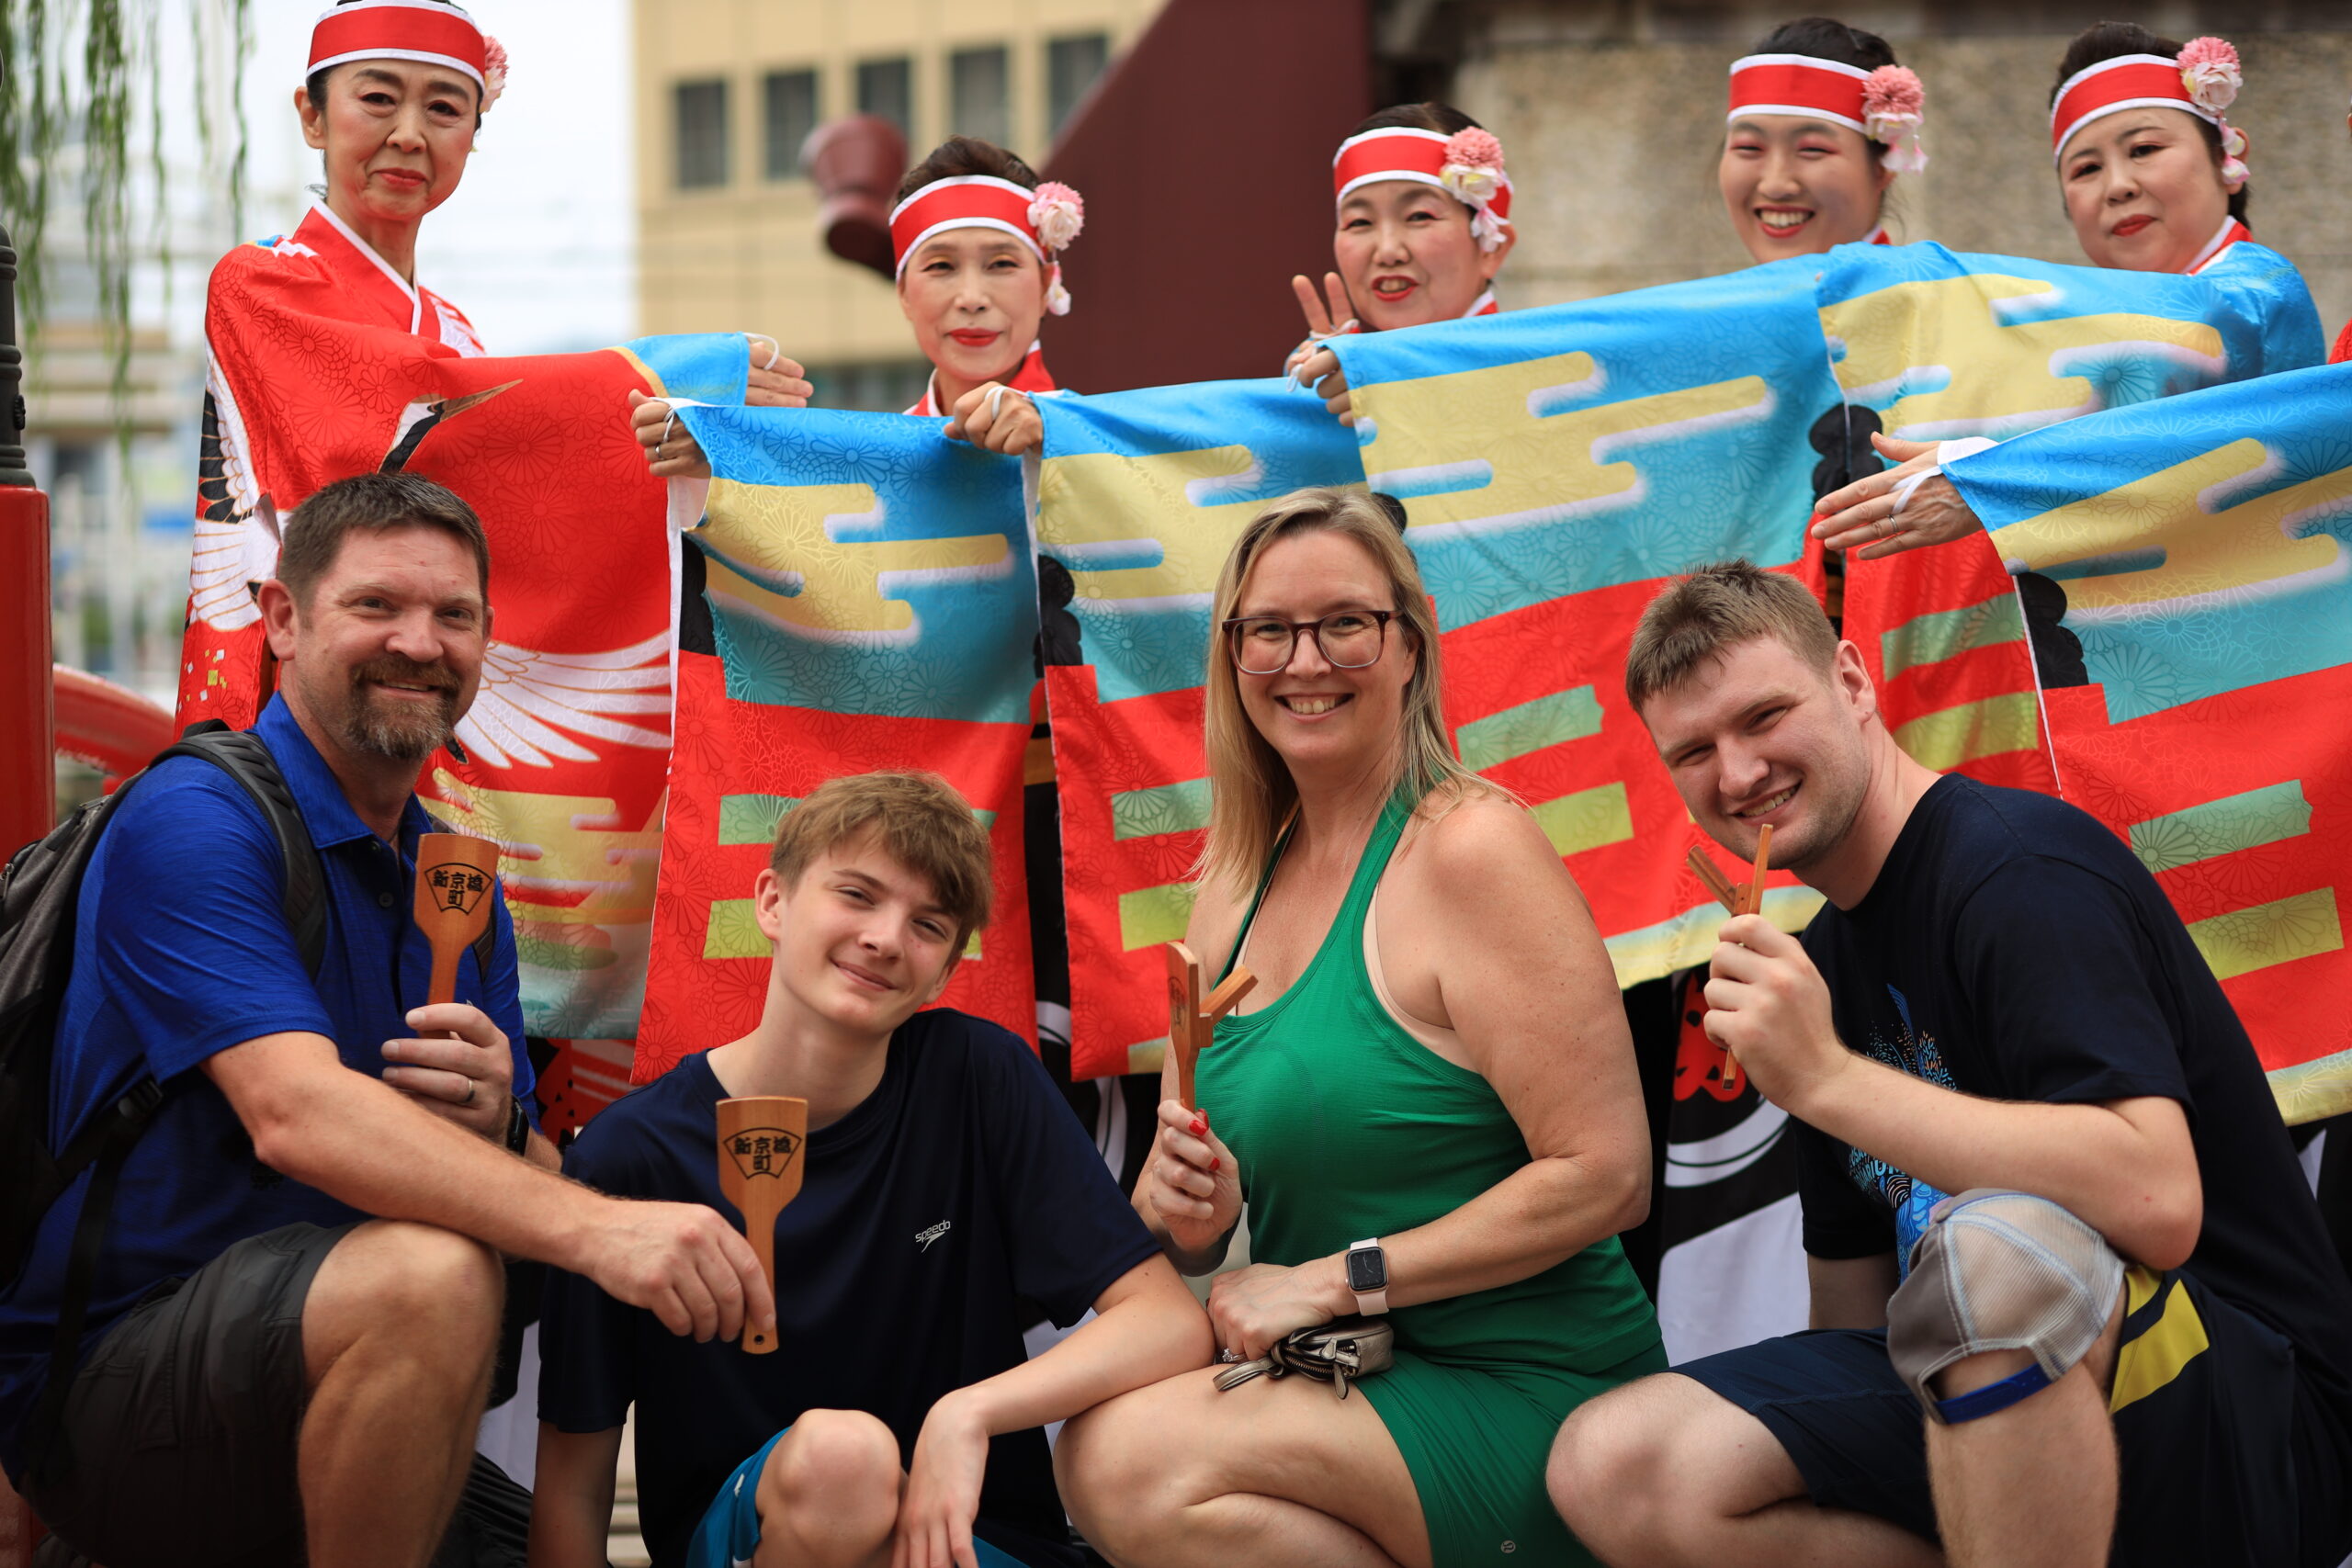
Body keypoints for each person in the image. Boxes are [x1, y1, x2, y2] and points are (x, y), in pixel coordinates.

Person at [0, 473, 775, 1568]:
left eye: (453, 615)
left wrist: (507, 1130)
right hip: (126, 1396)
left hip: (356, 1388)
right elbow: (295, 1117)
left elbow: (517, 1184)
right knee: (435, 1274)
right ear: (280, 620)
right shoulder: (194, 815)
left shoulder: (455, 881)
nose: (419, 642)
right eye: (376, 606)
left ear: (487, 642)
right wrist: (607, 1230)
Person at [1546, 561, 2352, 1568]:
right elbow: (1851, 1323)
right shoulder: (1823, 966)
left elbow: (2157, 1194)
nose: (1739, 773)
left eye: (1764, 716)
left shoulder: (2014, 872)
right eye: (1695, 751)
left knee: (1990, 1257)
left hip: (2249, 1425)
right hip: (2006, 1416)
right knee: (1614, 1463)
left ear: (1850, 680)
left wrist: (1828, 1080)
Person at [1053, 489, 1663, 1568]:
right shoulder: (1229, 891)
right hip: (1348, 1381)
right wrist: (1181, 1209)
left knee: (1127, 1460)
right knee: (1099, 1444)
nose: (1305, 661)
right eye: (1267, 632)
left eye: (1344, 623)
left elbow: (1606, 1175)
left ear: (1410, 641)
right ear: (1231, 657)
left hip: (1531, 1393)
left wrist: (1338, 1279)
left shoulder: (1471, 849)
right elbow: (1210, 1229)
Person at [529, 771, 1209, 1568]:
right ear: (772, 902)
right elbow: (571, 1495)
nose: (886, 937)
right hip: (756, 1535)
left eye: (927, 923)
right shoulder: (626, 1155)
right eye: (856, 894)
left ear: (947, 970)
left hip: (977, 1547)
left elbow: (1165, 1321)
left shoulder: (980, 1076)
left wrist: (969, 1413)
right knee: (842, 1461)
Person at [1809, 24, 2323, 563]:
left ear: (2228, 160)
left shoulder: (2258, 293)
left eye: (2144, 148)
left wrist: (1997, 473)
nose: (2117, 185)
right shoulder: (2088, 320)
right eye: (2086, 169)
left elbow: (2192, 383)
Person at [634, 134, 1079, 470]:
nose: (971, 298)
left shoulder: (1105, 443)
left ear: (1045, 283)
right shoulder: (869, 460)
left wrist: (1058, 435)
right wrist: (729, 464)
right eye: (941, 267)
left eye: (1001, 264)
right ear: (903, 292)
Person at [1284, 105, 1516, 425]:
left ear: (1492, 249)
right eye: (1359, 221)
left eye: (1420, 216)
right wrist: (1303, 399)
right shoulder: (1339, 390)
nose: (1388, 251)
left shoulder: (1551, 374)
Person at [1720, 18, 1928, 264]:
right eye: (1749, 147)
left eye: (1812, 149)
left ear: (1883, 167)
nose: (1775, 185)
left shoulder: (1937, 299)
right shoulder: (1705, 301)